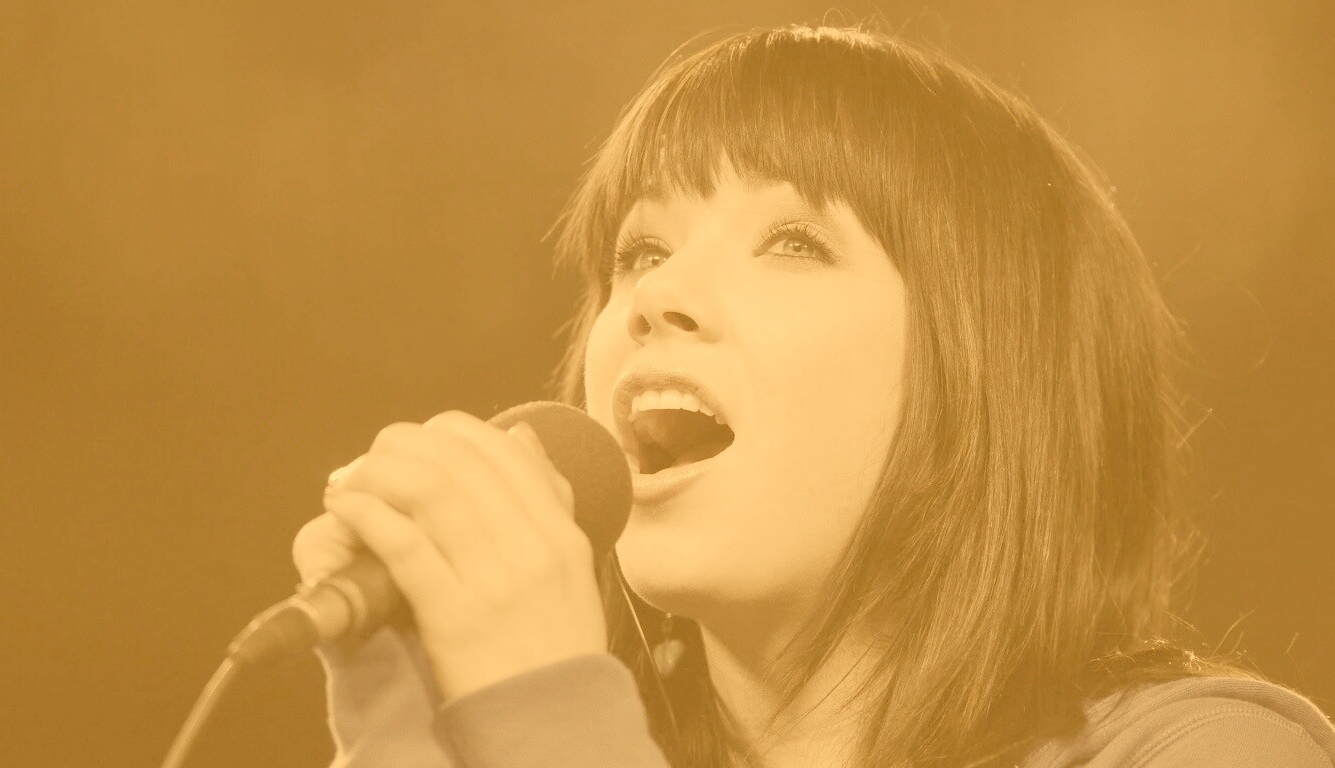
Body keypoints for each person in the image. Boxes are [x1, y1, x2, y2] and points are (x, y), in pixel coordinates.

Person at [291, 24, 1335, 768]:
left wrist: (553, 724)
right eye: (640, 250)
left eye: (793, 242)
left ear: (988, 373)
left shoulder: (1213, 751)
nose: (655, 296)